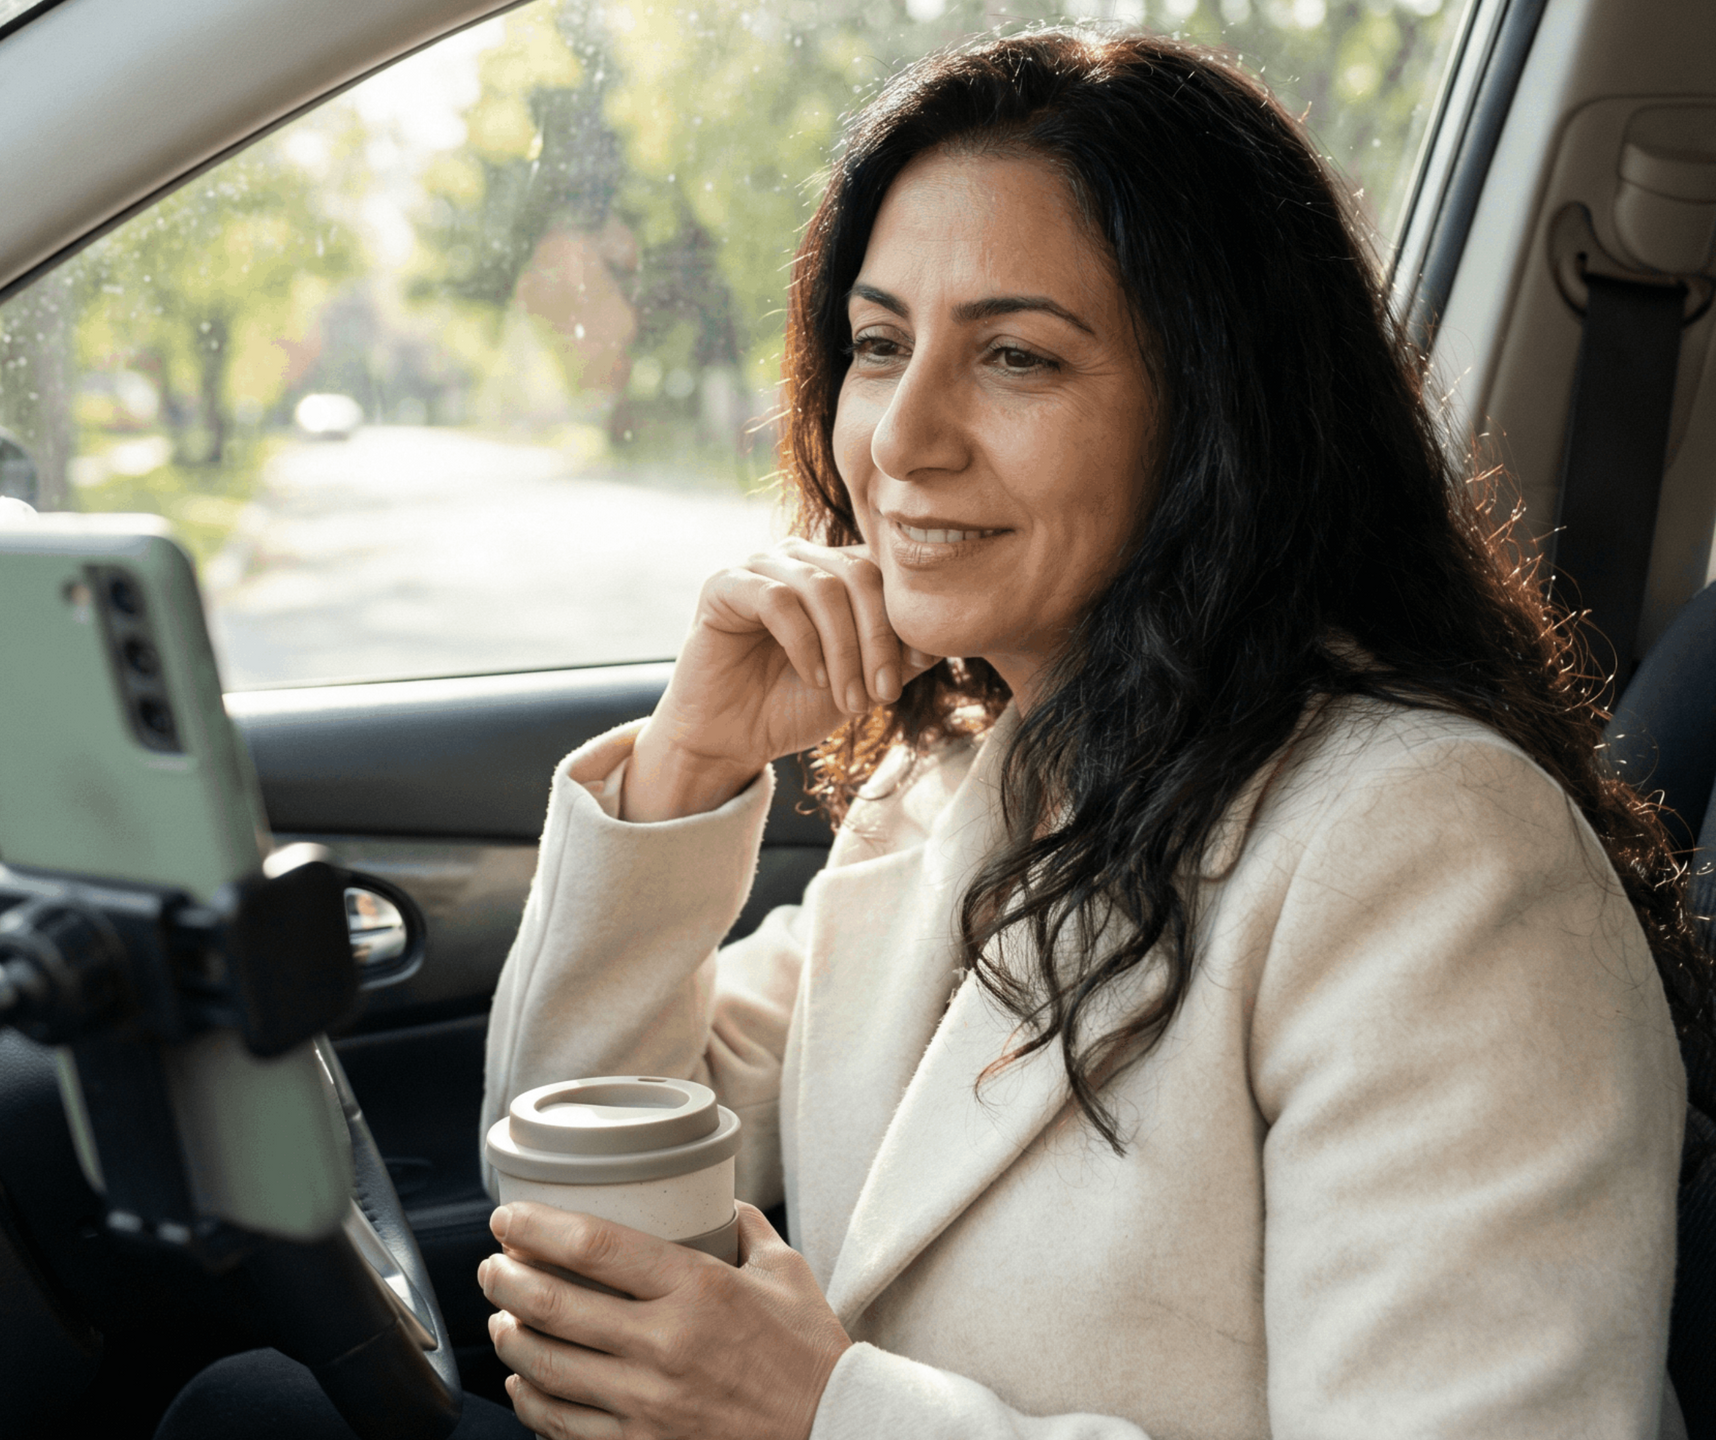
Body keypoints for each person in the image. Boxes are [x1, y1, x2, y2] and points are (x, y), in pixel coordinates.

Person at [473, 25, 1710, 1440]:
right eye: (880, 345)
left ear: (1218, 411)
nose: (900, 438)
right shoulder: (946, 788)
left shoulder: (1436, 855)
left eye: (1016, 357)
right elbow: (577, 1201)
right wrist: (687, 766)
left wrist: (823, 1417)